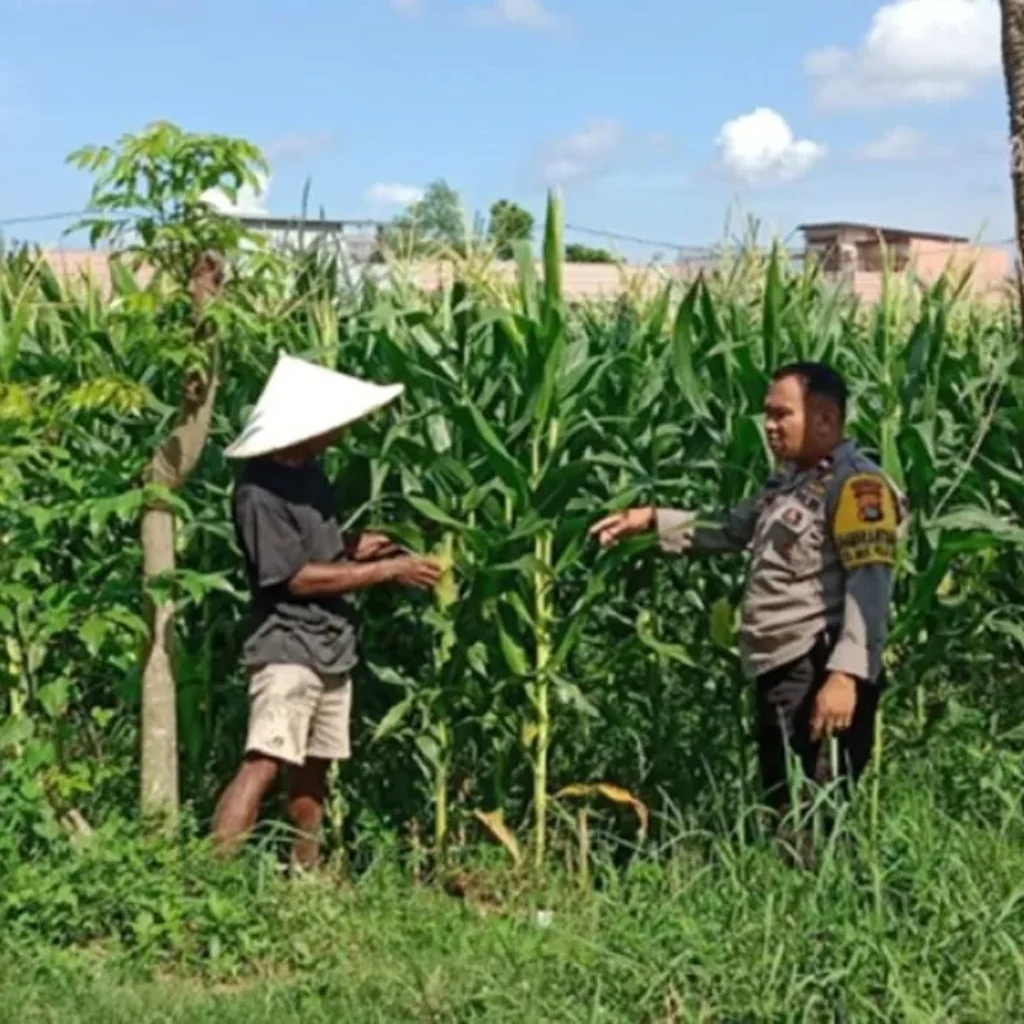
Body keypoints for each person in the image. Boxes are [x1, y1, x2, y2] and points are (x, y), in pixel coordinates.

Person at [589, 362, 906, 841]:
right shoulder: (789, 482)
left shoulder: (859, 488)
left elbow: (870, 586)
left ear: (824, 418)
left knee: (815, 807)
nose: (769, 427)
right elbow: (731, 529)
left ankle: (819, 905)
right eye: (767, 415)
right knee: (783, 798)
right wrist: (652, 520)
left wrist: (846, 676)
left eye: (782, 415)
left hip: (818, 665)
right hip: (780, 663)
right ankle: (789, 898)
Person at [211, 353, 441, 870]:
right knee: (265, 761)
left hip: (331, 644)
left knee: (314, 772)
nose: (340, 431)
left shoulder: (309, 473)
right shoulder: (258, 492)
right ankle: (210, 887)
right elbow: (293, 576)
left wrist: (357, 547)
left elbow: (315, 552)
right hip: (287, 645)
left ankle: (305, 878)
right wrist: (387, 572)